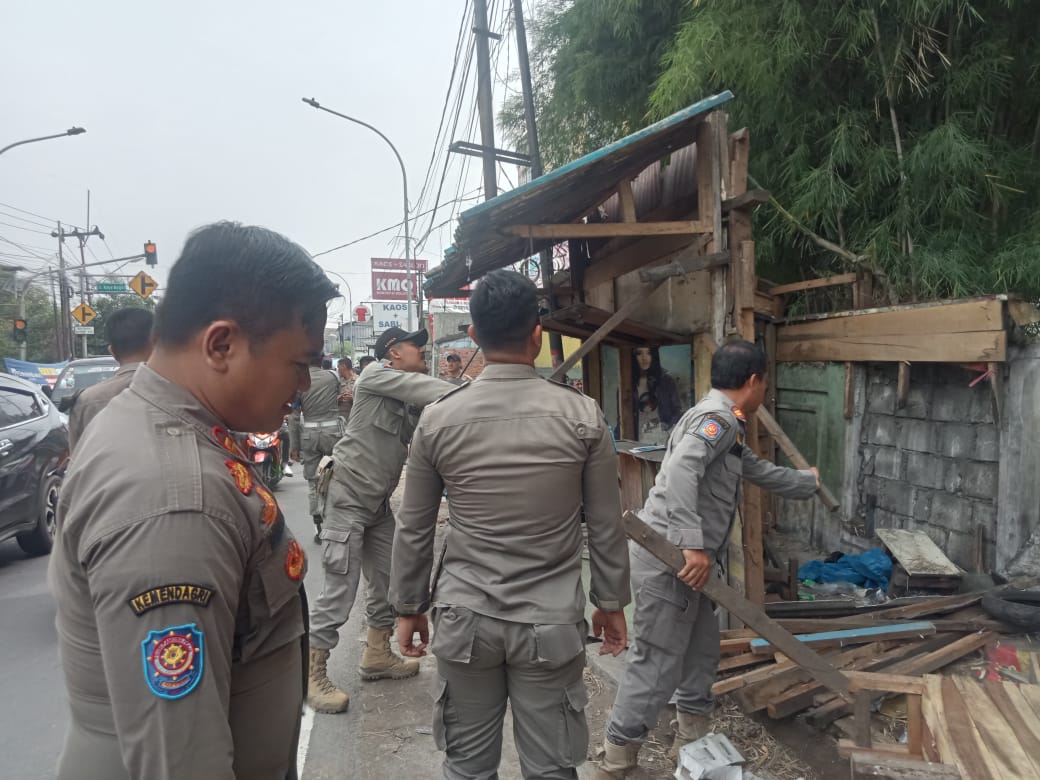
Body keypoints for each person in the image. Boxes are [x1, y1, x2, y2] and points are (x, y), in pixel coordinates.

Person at [48, 221, 338, 780]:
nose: (304, 385)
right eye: (298, 363)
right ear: (221, 344)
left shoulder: (177, 425)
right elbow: (179, 761)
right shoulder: (176, 499)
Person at [390, 270, 631, 779]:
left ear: (473, 335)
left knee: (468, 768)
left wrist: (408, 608)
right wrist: (610, 603)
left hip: (464, 620)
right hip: (550, 624)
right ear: (537, 334)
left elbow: (414, 528)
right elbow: (606, 524)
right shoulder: (583, 416)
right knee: (551, 769)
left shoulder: (437, 420)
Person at [594, 339, 821, 778]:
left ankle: (692, 739)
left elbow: (753, 469)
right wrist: (692, 543)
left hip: (692, 566)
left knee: (700, 652)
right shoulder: (716, 420)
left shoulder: (724, 421)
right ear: (754, 381)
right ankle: (616, 759)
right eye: (765, 385)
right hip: (671, 560)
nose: (764, 393)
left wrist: (804, 483)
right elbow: (680, 471)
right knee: (656, 662)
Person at [307, 326, 455, 714]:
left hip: (376, 503)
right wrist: (475, 390)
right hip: (348, 494)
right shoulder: (374, 374)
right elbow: (435, 393)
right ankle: (311, 671)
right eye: (415, 345)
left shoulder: (404, 395)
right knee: (341, 586)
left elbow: (428, 421)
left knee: (389, 579)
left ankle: (376, 654)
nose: (422, 350)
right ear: (393, 352)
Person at [67, 307, 154, 450]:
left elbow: (76, 461)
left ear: (112, 352)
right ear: (156, 343)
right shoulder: (181, 392)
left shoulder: (86, 401)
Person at [289, 355, 343, 542]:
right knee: (335, 476)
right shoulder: (333, 377)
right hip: (333, 434)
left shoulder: (300, 383)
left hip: (309, 436)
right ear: (321, 361)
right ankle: (335, 520)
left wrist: (294, 447)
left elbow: (294, 417)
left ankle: (318, 525)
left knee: (313, 479)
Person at [632, 346, 682, 444]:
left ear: (654, 355)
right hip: (635, 441)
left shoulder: (666, 380)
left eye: (649, 353)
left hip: (661, 439)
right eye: (639, 353)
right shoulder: (627, 383)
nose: (644, 358)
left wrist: (668, 427)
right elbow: (621, 419)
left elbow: (677, 411)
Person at [336, 357, 356, 421]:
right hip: (340, 418)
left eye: (338, 367)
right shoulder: (338, 382)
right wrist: (338, 398)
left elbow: (364, 399)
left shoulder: (359, 381)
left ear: (343, 366)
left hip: (353, 418)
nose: (338, 370)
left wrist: (353, 398)